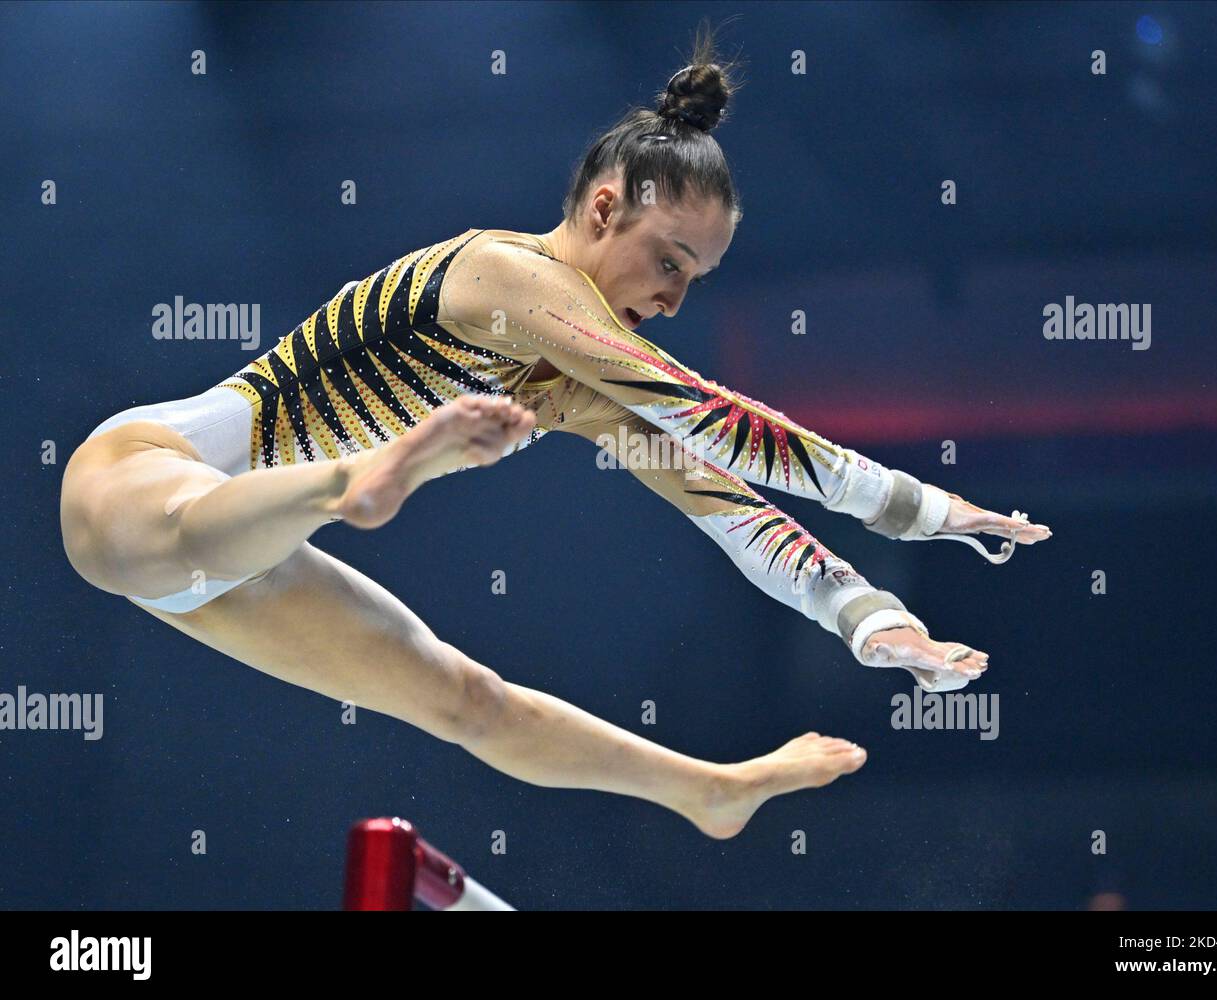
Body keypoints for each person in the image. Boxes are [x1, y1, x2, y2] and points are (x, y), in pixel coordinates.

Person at [59, 25, 1049, 841]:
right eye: (667, 262)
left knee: (469, 702)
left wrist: (868, 616)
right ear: (604, 208)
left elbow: (722, 501)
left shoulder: (562, 381)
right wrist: (922, 508)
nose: (670, 299)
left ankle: (705, 790)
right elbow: (712, 415)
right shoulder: (503, 275)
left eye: (693, 280)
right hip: (146, 480)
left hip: (228, 564)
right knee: (195, 524)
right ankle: (352, 483)